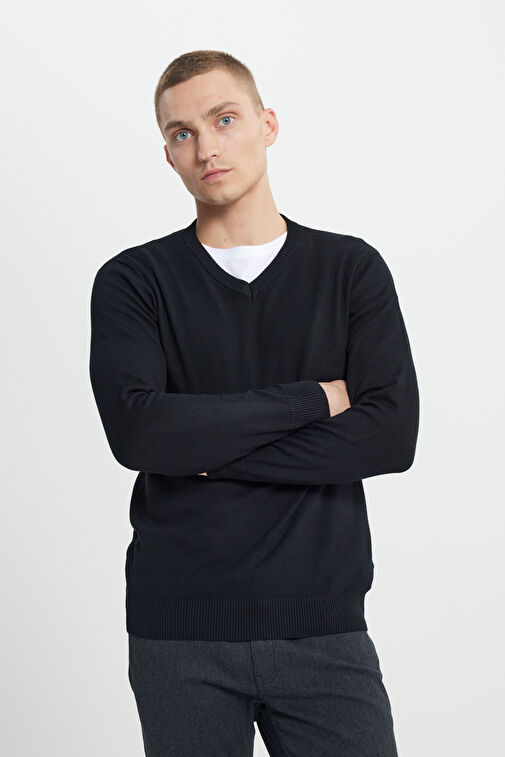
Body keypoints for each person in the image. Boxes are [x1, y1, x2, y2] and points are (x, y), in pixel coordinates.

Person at [89, 49, 419, 757]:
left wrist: (202, 449)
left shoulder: (350, 269)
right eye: (182, 133)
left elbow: (390, 437)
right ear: (168, 155)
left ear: (267, 124)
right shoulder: (133, 281)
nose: (206, 148)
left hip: (323, 626)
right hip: (179, 632)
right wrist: (312, 398)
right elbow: (141, 436)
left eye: (224, 119)